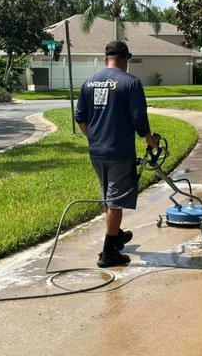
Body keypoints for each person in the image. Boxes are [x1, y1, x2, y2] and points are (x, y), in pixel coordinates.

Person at [75, 41, 159, 268]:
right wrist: (150, 139)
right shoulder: (130, 83)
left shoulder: (89, 82)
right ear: (126, 60)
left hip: (96, 151)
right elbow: (139, 119)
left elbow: (80, 118)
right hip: (119, 152)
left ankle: (117, 233)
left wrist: (93, 138)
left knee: (109, 195)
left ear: (106, 59)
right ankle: (108, 252)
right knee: (116, 201)